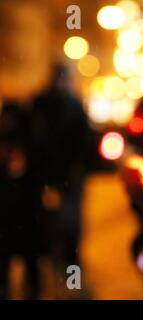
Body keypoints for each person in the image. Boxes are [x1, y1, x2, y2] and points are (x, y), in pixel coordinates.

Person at [30, 63, 90, 270]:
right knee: (66, 219)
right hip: (62, 172)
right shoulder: (68, 103)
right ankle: (66, 260)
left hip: (61, 172)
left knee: (63, 218)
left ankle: (62, 260)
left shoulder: (50, 103)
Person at [0, 99, 40, 299]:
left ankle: (31, 288)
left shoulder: (28, 145)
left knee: (28, 254)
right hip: (10, 212)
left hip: (24, 211)